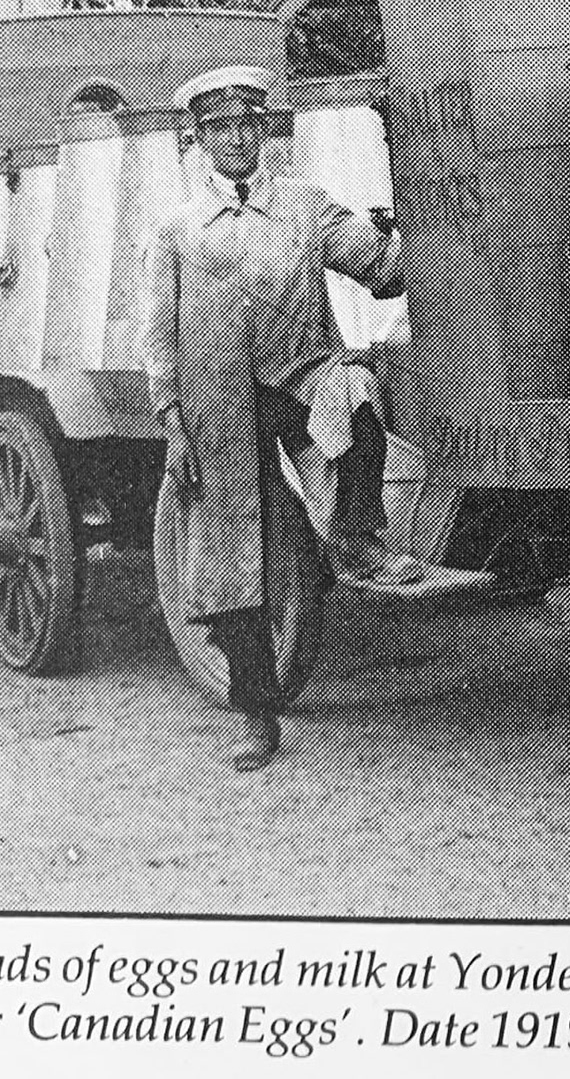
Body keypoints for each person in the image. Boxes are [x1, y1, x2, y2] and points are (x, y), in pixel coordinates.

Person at [143, 67, 411, 771]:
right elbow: (159, 338)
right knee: (234, 563)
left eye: (246, 125)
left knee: (354, 389)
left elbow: (380, 268)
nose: (235, 139)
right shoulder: (176, 232)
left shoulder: (303, 206)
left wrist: (417, 230)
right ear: (198, 141)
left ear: (264, 132)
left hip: (300, 377)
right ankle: (257, 716)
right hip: (217, 407)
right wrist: (173, 421)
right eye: (219, 129)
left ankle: (357, 536)